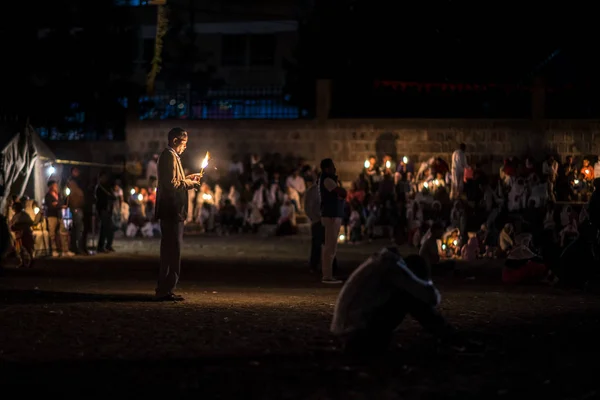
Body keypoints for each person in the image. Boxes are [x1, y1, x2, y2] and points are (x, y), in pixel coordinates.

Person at [331, 249, 465, 358]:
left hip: (348, 331)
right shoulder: (393, 268)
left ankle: (449, 335)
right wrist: (427, 282)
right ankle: (450, 336)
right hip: (356, 336)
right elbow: (432, 298)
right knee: (408, 297)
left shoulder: (382, 263)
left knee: (407, 296)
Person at [154, 128, 201, 301]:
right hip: (171, 210)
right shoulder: (168, 156)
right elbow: (171, 184)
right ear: (175, 141)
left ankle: (166, 288)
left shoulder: (172, 157)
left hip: (172, 211)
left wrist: (188, 177)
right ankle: (166, 289)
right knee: (172, 251)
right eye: (184, 143)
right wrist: (189, 184)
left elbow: (175, 180)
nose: (185, 147)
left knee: (170, 250)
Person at [318, 158, 346, 284]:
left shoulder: (329, 180)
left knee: (331, 246)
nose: (334, 168)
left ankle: (328, 274)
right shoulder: (328, 180)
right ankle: (327, 275)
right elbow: (341, 192)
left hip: (332, 214)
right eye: (332, 166)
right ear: (326, 168)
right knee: (330, 246)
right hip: (331, 215)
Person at [304, 178, 338, 274]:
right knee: (317, 244)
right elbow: (309, 207)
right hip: (318, 221)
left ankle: (331, 265)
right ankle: (315, 265)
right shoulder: (312, 191)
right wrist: (314, 218)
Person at [45, 180, 73, 257]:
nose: (56, 186)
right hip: (52, 216)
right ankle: (54, 250)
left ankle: (65, 250)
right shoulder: (48, 196)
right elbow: (51, 206)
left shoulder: (58, 194)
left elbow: (60, 203)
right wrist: (59, 206)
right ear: (50, 186)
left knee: (63, 232)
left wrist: (57, 204)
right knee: (52, 234)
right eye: (54, 185)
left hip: (60, 215)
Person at [66, 167, 87, 255]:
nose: (77, 172)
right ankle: (76, 247)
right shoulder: (71, 183)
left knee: (78, 228)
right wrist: (73, 207)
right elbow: (71, 197)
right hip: (76, 208)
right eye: (75, 171)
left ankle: (77, 247)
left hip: (79, 208)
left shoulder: (80, 183)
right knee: (78, 228)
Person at [95, 171, 117, 253]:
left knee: (109, 229)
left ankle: (108, 245)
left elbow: (113, 197)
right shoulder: (99, 188)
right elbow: (100, 200)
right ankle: (101, 247)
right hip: (103, 210)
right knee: (104, 229)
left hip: (108, 210)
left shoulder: (107, 187)